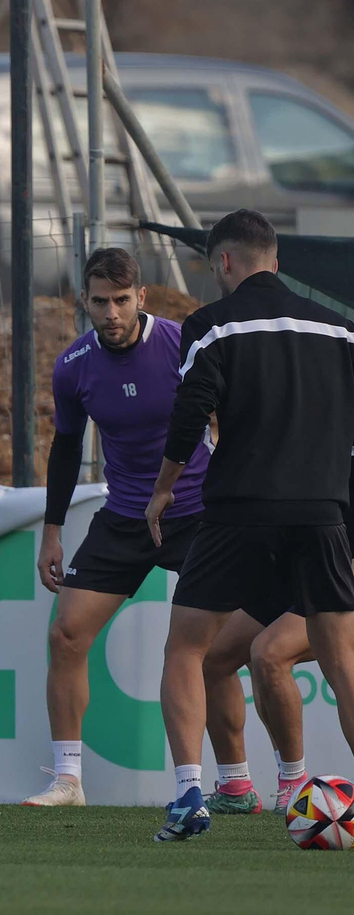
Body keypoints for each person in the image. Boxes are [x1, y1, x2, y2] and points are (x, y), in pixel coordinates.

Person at [148, 208, 354, 842]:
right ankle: (269, 781)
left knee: (187, 647)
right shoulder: (340, 331)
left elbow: (190, 413)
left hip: (241, 508)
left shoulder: (210, 325)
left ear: (225, 263)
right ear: (276, 259)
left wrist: (162, 489)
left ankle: (189, 794)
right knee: (344, 661)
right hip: (323, 509)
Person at [24, 248, 213, 807]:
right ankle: (68, 779)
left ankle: (235, 781)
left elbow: (228, 412)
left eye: (121, 301)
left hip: (198, 514)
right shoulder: (73, 364)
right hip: (126, 516)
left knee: (219, 652)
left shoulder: (183, 344)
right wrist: (52, 532)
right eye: (100, 301)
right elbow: (64, 449)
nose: (110, 312)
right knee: (66, 634)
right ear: (84, 300)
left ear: (142, 298)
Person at [200, 607, 312, 815]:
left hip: (336, 588)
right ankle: (235, 788)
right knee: (212, 658)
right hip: (291, 591)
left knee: (269, 654)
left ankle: (295, 783)